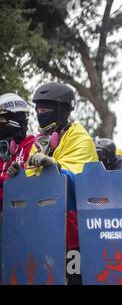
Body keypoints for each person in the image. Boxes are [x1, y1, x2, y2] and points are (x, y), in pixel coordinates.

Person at [9, 82, 98, 284]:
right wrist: (17, 176)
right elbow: (32, 180)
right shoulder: (40, 140)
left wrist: (56, 167)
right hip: (42, 228)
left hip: (73, 231)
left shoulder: (81, 139)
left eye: (46, 109)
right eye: (38, 110)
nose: (41, 114)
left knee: (74, 278)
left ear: (63, 110)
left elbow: (84, 182)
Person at [0, 94, 35, 210]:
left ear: (17, 120)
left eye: (1, 120)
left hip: (23, 218)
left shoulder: (33, 146)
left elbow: (30, 189)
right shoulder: (2, 148)